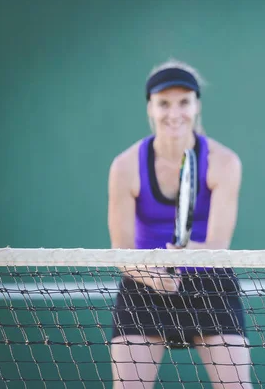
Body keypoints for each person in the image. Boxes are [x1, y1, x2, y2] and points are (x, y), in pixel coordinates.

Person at [107, 58, 253, 388]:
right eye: (164, 104)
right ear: (150, 108)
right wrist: (154, 276)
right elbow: (121, 251)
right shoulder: (125, 167)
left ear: (197, 106)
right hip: (144, 288)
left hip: (209, 286)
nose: (174, 114)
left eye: (184, 102)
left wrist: (189, 254)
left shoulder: (224, 163)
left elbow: (217, 246)